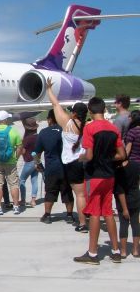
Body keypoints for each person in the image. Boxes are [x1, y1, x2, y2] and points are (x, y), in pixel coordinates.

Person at [73, 97, 127, 265]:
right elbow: (122, 154)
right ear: (104, 110)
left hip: (94, 175)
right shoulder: (113, 128)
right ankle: (116, 251)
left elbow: (89, 155)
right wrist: (107, 157)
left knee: (95, 213)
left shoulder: (90, 128)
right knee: (108, 212)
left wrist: (80, 158)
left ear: (90, 111)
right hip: (109, 175)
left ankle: (93, 253)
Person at [46, 78, 89, 231]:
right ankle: (87, 217)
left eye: (71, 111)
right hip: (84, 161)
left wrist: (49, 89)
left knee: (79, 195)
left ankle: (83, 223)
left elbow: (55, 104)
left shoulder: (68, 123)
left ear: (75, 113)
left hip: (72, 163)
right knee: (84, 194)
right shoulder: (87, 125)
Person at [35, 110, 74, 225]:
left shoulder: (43, 132)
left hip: (51, 167)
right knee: (67, 191)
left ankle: (47, 215)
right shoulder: (66, 131)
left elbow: (36, 153)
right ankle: (70, 215)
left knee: (50, 191)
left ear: (50, 119)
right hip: (66, 166)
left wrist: (38, 164)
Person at [115, 160, 140, 258]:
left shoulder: (118, 170)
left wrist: (125, 209)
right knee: (135, 224)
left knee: (124, 224)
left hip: (123, 202)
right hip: (135, 198)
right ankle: (135, 250)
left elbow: (120, 191)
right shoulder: (135, 165)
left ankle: (123, 251)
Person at [19, 117, 39, 207]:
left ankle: (23, 200)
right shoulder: (38, 136)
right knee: (34, 180)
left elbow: (23, 151)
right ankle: (33, 200)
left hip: (29, 160)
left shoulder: (27, 139)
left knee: (22, 180)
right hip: (36, 159)